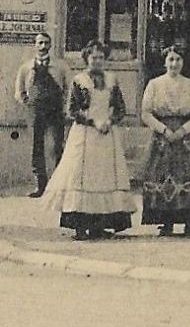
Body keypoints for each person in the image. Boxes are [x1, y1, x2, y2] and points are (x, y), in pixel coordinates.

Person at [43, 41, 137, 240]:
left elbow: (120, 108)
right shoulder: (79, 80)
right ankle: (80, 226)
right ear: (86, 58)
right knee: (82, 177)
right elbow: (71, 110)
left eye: (101, 57)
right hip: (85, 134)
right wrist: (93, 121)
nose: (97, 61)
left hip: (107, 135)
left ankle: (99, 225)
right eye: (94, 57)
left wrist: (109, 121)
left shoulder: (112, 80)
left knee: (104, 178)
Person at [139, 45, 190, 237]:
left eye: (178, 59)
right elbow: (146, 112)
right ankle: (166, 222)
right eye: (171, 59)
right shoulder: (154, 84)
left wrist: (184, 130)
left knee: (187, 175)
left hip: (184, 137)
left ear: (183, 62)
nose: (174, 63)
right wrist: (163, 129)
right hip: (162, 137)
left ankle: (189, 221)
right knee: (162, 174)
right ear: (164, 62)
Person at [13, 31, 68, 197]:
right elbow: (19, 91)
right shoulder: (26, 68)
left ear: (50, 45)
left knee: (57, 146)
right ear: (35, 45)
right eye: (40, 43)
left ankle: (59, 184)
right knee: (37, 147)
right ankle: (40, 185)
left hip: (55, 110)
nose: (43, 46)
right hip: (36, 111)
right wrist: (28, 103)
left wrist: (64, 106)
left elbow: (69, 89)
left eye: (46, 43)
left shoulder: (60, 67)